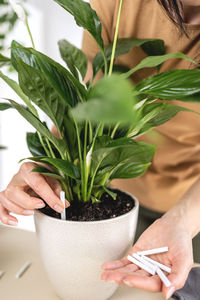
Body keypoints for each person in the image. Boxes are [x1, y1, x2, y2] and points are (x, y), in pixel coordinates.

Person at [0, 0, 200, 299]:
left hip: (190, 206)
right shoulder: (119, 4)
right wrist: (48, 166)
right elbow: (87, 101)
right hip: (116, 193)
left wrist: (181, 225)